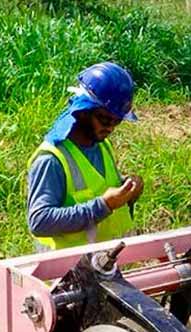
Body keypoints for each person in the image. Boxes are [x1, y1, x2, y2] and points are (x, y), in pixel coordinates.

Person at [26, 62, 143, 251]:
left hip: (105, 267)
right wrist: (103, 205)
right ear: (83, 112)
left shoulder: (101, 145)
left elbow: (96, 188)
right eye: (105, 120)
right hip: (67, 274)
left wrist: (127, 190)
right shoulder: (51, 160)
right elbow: (39, 221)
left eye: (117, 121)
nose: (111, 128)